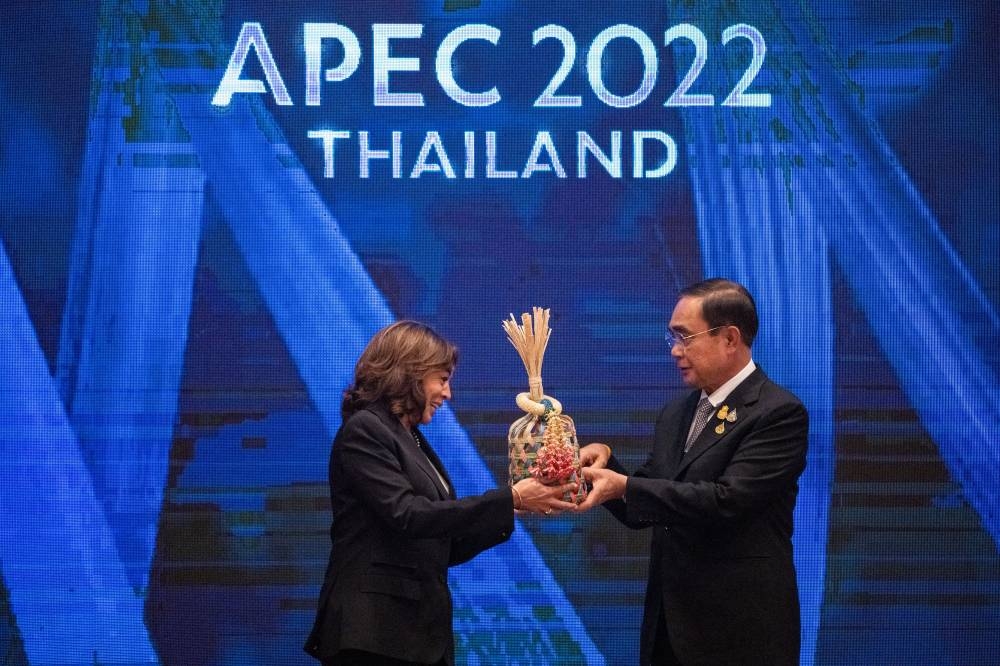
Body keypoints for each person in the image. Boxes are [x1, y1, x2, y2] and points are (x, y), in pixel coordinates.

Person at [305, 320, 577, 665]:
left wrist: (514, 508)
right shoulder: (365, 430)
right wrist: (511, 497)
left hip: (412, 633)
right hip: (374, 633)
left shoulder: (410, 438)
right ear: (410, 373)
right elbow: (409, 514)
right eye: (442, 380)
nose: (447, 394)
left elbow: (440, 544)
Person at [577, 278, 808, 666]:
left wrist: (627, 486)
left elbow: (727, 501)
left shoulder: (777, 413)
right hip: (671, 628)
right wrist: (604, 469)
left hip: (740, 632)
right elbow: (648, 503)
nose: (676, 352)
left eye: (685, 337)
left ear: (730, 338)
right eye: (672, 339)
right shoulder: (676, 413)